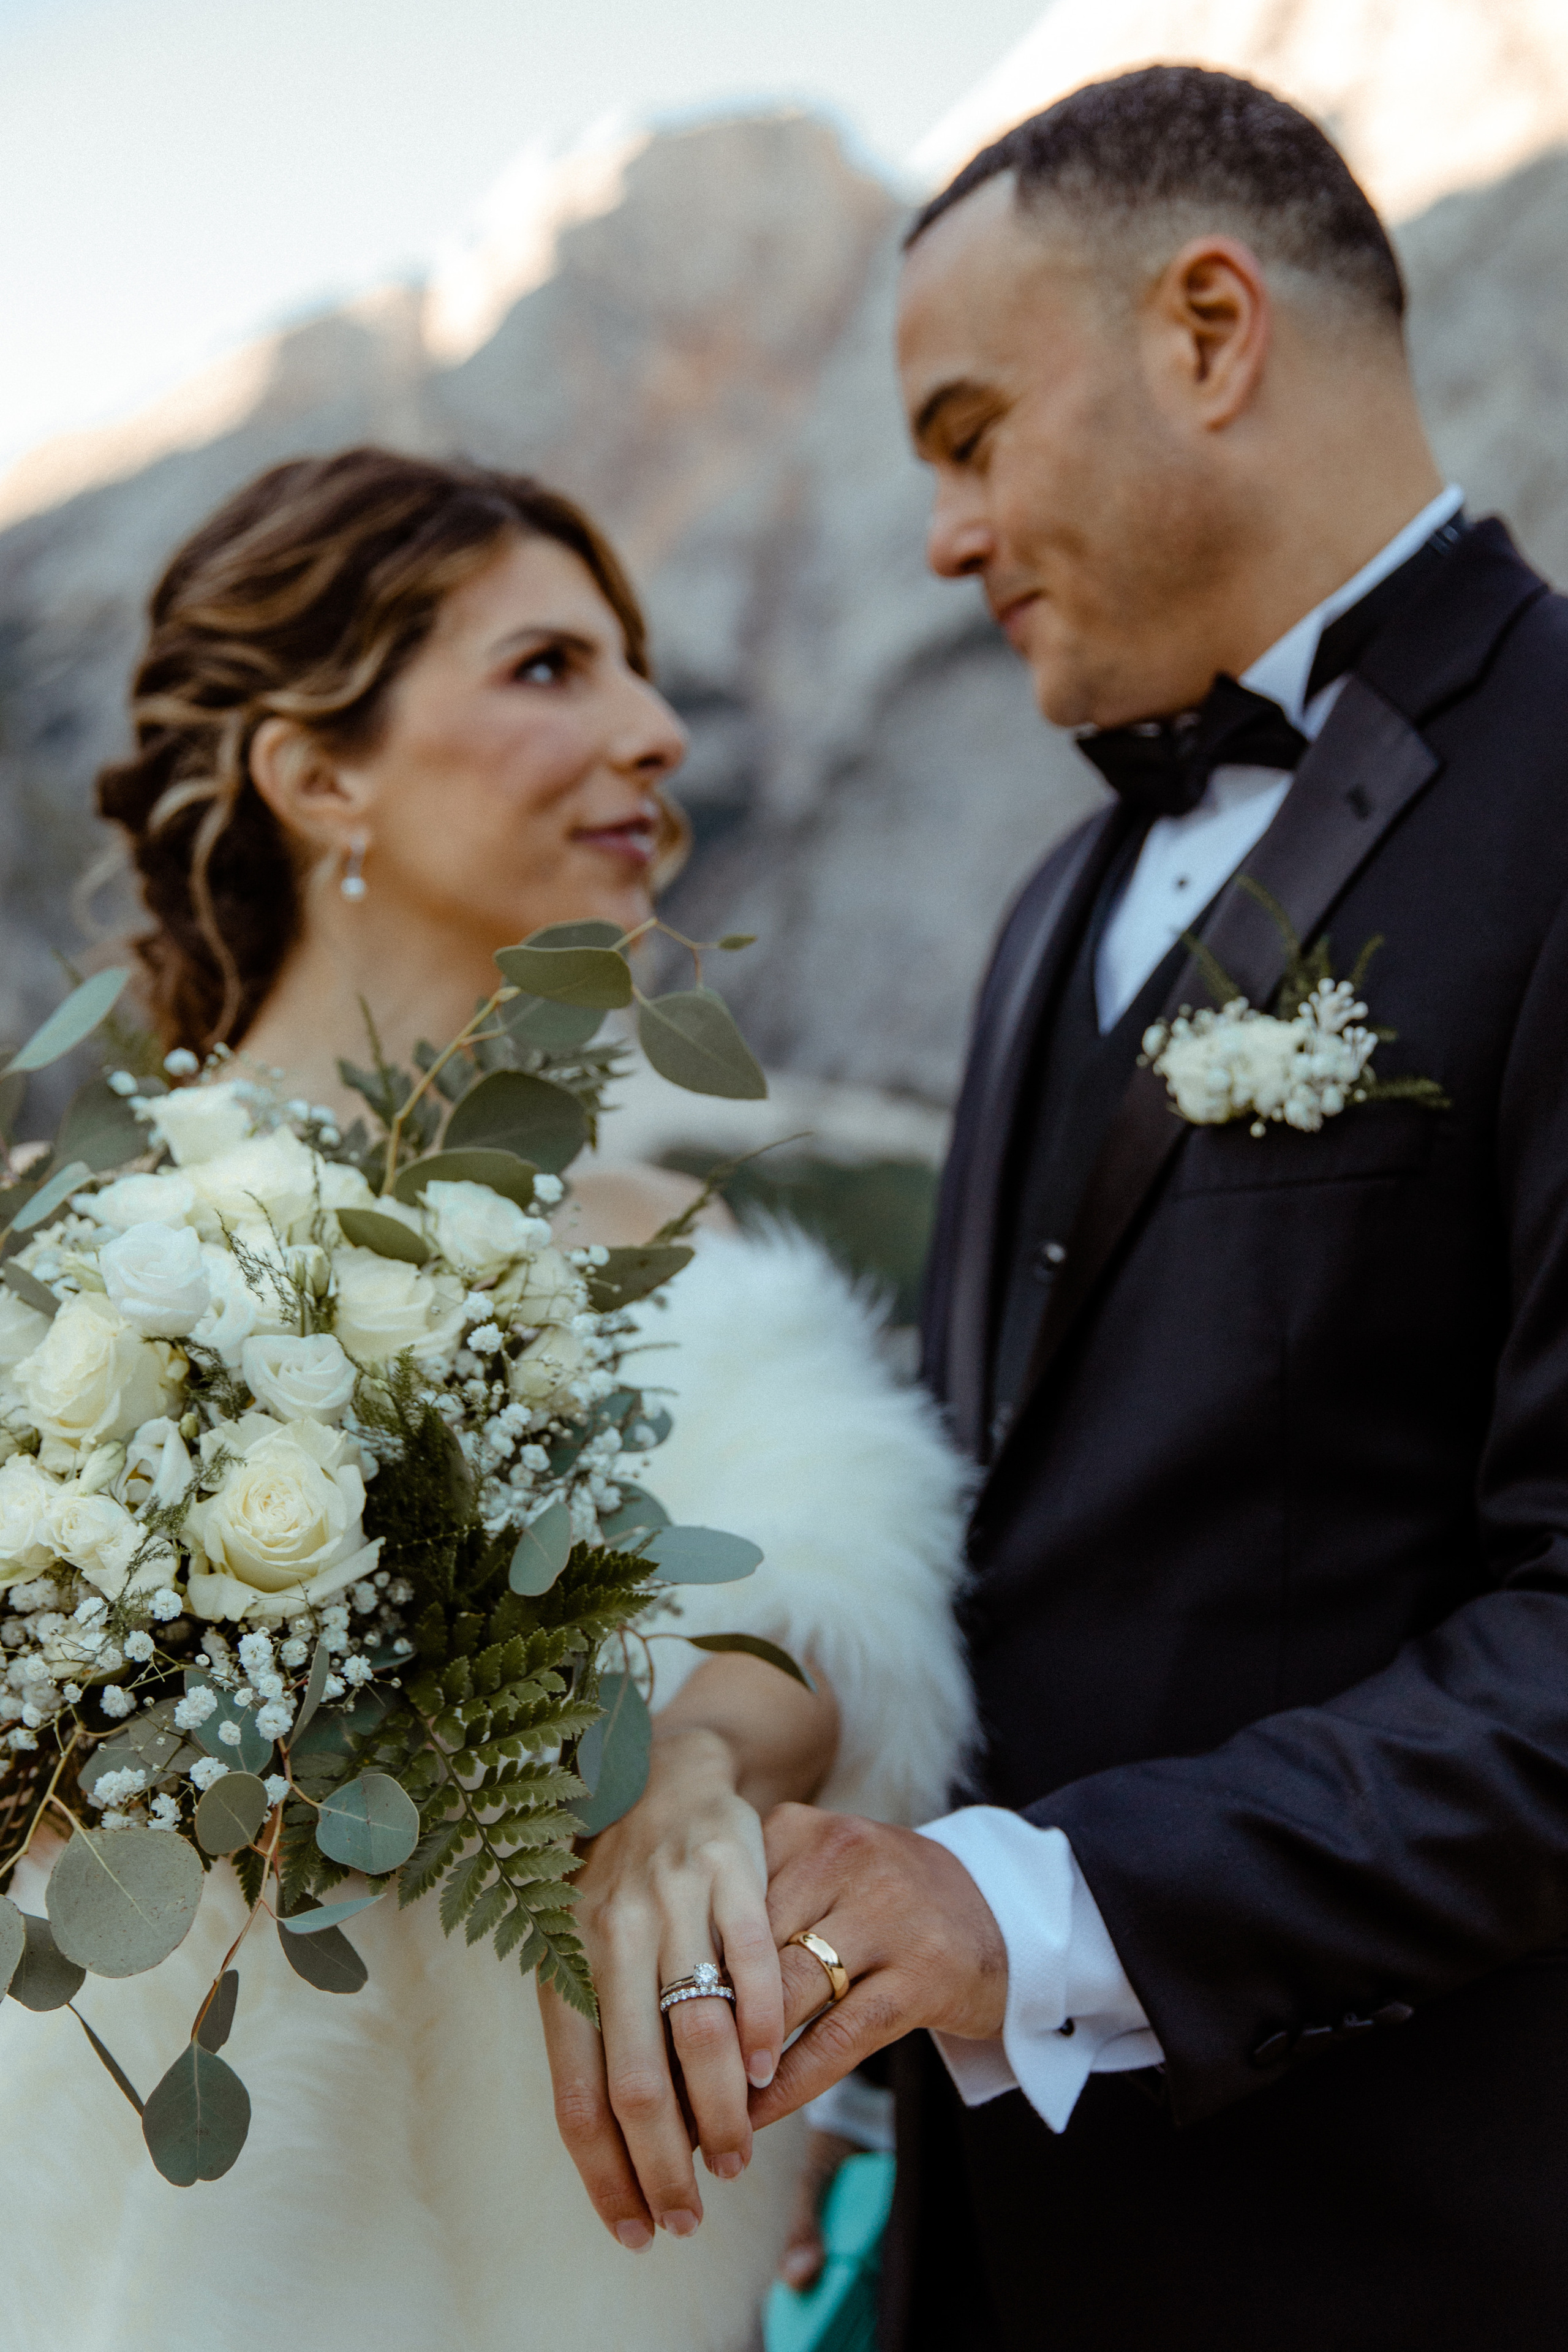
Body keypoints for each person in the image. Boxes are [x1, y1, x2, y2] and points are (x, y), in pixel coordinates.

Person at [571, 65, 1568, 2349]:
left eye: (967, 431)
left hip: (1400, 2241)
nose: (943, 534)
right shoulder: (1060, 897)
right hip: (990, 2242)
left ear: (1209, 332)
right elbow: (995, 1506)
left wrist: (1029, 1913)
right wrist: (736, 1724)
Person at [0, 449, 973, 2351]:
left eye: (640, 670)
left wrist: (693, 1760)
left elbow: (830, 1608)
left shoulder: (684, 1250)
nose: (657, 734)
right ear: (317, 772)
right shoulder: (82, 1287)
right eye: (549, 670)